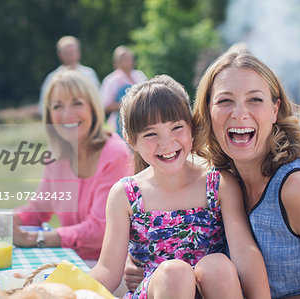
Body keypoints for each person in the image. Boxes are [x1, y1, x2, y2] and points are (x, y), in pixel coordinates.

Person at [88, 75, 270, 299]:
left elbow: (244, 252)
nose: (167, 143)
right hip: (159, 291)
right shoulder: (126, 195)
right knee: (175, 273)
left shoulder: (218, 183)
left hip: (213, 288)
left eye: (176, 128)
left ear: (191, 129)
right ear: (130, 140)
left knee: (217, 265)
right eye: (151, 134)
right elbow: (107, 270)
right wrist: (66, 290)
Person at [192, 48, 300, 298]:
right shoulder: (216, 183)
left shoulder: (297, 188)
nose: (239, 113)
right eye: (225, 101)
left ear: (275, 110)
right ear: (208, 112)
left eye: (255, 100)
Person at [14, 70, 132, 264]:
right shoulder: (56, 156)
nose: (67, 115)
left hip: (114, 268)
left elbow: (100, 231)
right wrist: (4, 221)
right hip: (72, 259)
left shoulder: (115, 154)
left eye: (77, 103)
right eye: (57, 106)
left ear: (93, 108)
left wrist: (41, 238)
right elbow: (39, 209)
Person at [38, 36, 101, 116]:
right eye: (67, 53)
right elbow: (43, 107)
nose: (71, 56)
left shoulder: (89, 74)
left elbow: (98, 100)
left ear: (79, 52)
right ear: (60, 55)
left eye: (73, 52)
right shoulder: (52, 78)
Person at [100, 45, 146, 135]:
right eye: (125, 59)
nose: (129, 62)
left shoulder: (139, 75)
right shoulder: (111, 80)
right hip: (119, 125)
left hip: (141, 121)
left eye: (130, 59)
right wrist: (129, 105)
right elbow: (105, 106)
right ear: (117, 62)